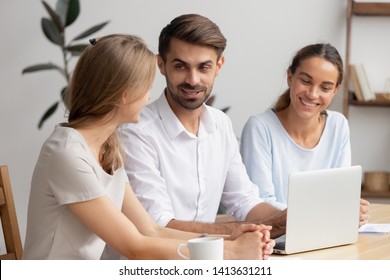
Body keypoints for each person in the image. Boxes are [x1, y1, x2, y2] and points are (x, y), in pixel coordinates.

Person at [23, 34, 271, 260]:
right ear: (124, 93)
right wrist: (232, 252)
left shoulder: (108, 148)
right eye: (146, 87)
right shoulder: (66, 152)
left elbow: (150, 230)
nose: (149, 97)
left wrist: (231, 239)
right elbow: (135, 246)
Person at [120, 14, 286, 241]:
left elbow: (245, 201)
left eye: (203, 67)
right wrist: (272, 226)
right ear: (161, 65)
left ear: (219, 66)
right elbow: (158, 226)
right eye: (181, 66)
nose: (193, 80)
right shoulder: (136, 131)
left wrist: (296, 219)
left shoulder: (220, 124)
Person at [240, 43, 369, 226]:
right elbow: (259, 203)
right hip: (275, 238)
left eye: (325, 88)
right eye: (306, 81)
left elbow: (340, 194)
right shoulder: (260, 127)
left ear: (335, 91)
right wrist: (330, 213)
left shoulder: (338, 125)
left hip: (324, 234)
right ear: (290, 77)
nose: (312, 94)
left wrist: (351, 210)